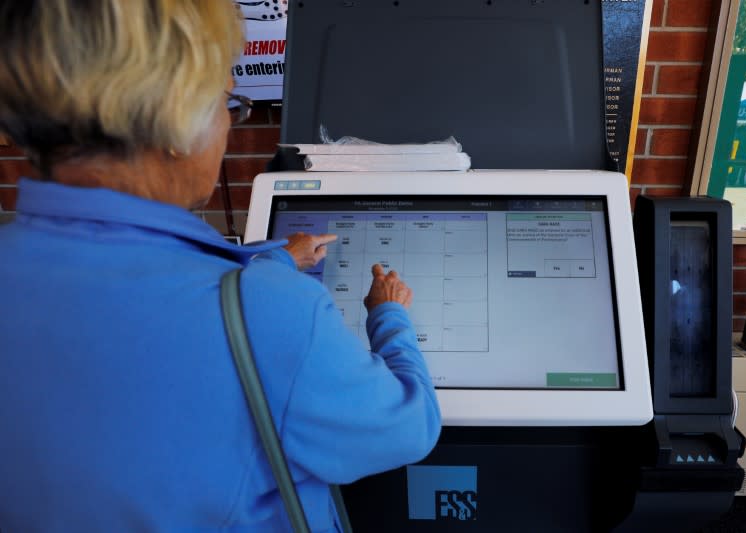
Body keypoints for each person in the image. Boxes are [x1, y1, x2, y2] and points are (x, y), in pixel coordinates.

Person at [0, 2, 441, 532]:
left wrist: (274, 260)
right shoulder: (270, 313)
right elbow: (408, 428)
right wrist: (389, 318)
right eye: (226, 103)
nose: (229, 125)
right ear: (176, 124)